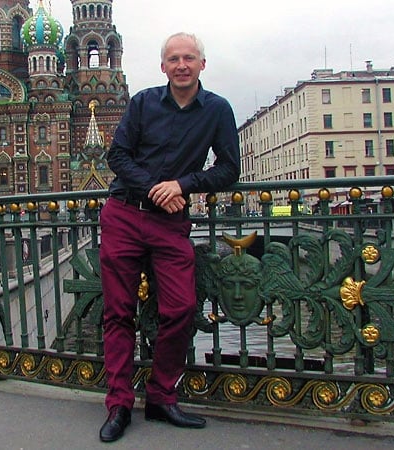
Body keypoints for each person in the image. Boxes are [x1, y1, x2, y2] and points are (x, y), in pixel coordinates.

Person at [98, 31, 241, 443]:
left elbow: (229, 168)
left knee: (181, 308)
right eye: (174, 59)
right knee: (118, 313)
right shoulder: (143, 102)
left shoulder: (217, 110)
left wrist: (183, 184)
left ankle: (161, 396)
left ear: (201, 64)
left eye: (189, 58)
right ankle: (119, 404)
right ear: (163, 67)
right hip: (125, 214)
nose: (181, 65)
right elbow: (117, 155)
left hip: (170, 222)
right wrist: (154, 188)